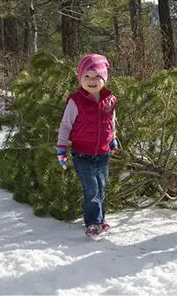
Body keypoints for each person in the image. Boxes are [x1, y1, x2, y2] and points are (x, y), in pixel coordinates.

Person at [57, 53, 118, 240]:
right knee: (91, 189)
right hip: (82, 154)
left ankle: (100, 220)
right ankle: (92, 223)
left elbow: (112, 121)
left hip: (103, 153)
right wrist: (61, 149)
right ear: (80, 78)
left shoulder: (110, 99)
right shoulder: (76, 101)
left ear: (105, 79)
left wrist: (113, 138)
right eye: (87, 76)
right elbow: (66, 125)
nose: (92, 81)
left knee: (101, 187)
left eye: (97, 76)